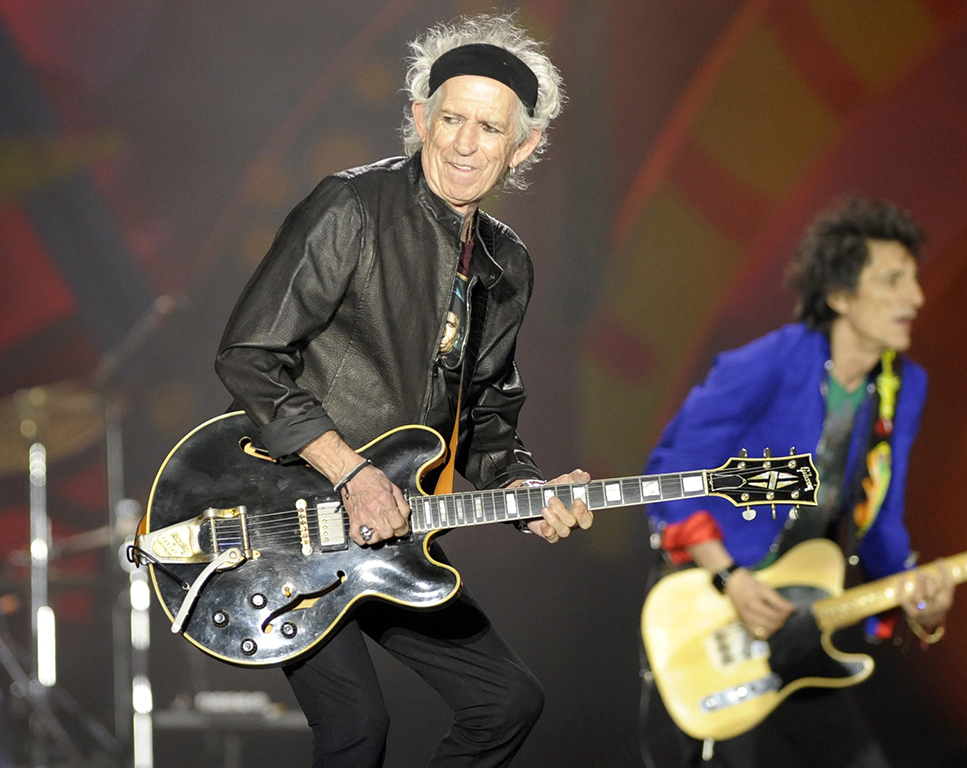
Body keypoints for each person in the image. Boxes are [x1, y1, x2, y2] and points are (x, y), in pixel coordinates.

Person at [213, 14, 593, 768]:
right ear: (420, 117)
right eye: (450, 118)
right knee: (357, 727)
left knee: (507, 700)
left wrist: (531, 492)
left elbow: (485, 423)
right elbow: (249, 354)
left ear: (525, 147)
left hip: (390, 539)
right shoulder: (350, 207)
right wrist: (349, 472)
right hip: (287, 521)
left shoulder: (505, 265)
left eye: (488, 128)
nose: (462, 143)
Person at [644, 197, 955, 767]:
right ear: (839, 296)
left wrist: (920, 602)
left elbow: (881, 523)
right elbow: (669, 475)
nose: (916, 297)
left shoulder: (902, 386)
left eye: (914, 279)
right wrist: (730, 577)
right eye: (893, 280)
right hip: (714, 608)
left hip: (802, 615)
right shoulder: (768, 362)